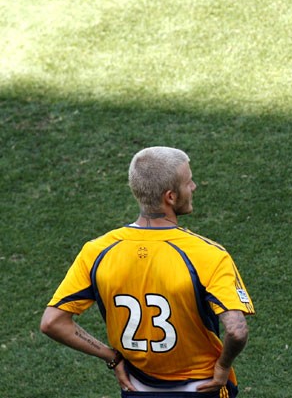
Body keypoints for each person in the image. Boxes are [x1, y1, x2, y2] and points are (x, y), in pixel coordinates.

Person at [41, 146, 255, 398]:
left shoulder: (97, 251)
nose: (194, 186)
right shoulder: (208, 254)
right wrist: (223, 366)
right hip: (202, 388)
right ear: (170, 197)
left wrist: (111, 357)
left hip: (137, 389)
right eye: (188, 182)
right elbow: (237, 331)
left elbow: (52, 322)